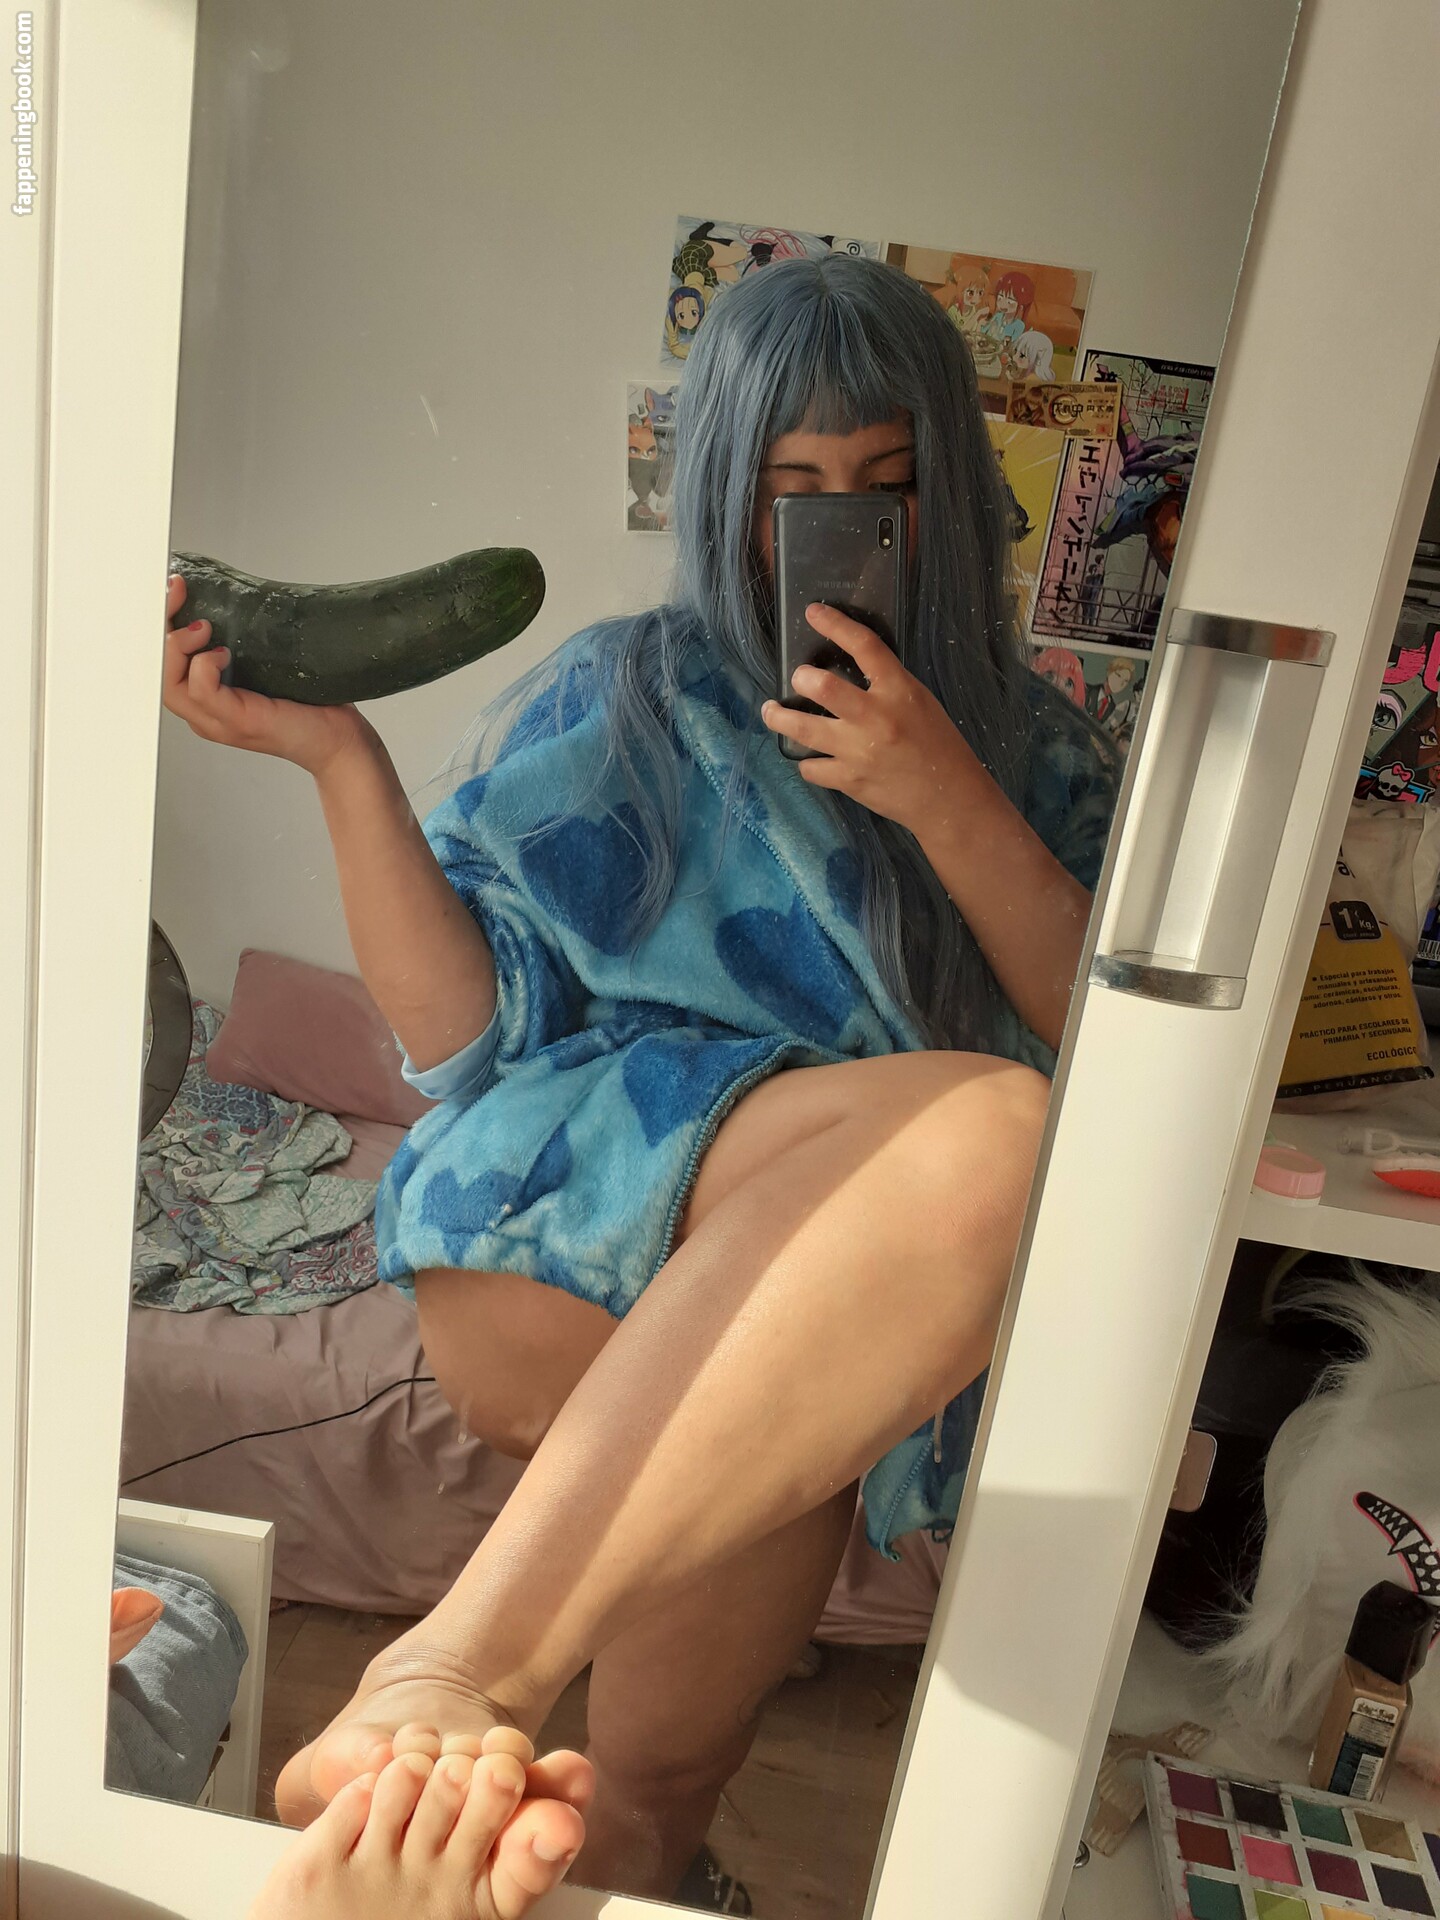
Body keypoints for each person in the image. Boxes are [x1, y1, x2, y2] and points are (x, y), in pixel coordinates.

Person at [164, 252, 1119, 1908]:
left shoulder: (1037, 752)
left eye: (883, 487)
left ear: (952, 495)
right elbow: (461, 1041)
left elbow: (1129, 1069)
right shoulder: (623, 693)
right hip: (555, 1227)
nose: (832, 527)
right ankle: (449, 1670)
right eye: (789, 487)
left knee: (663, 1787)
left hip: (819, 1310)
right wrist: (338, 756)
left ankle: (542, 1842)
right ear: (725, 493)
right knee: (992, 1141)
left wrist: (944, 795)